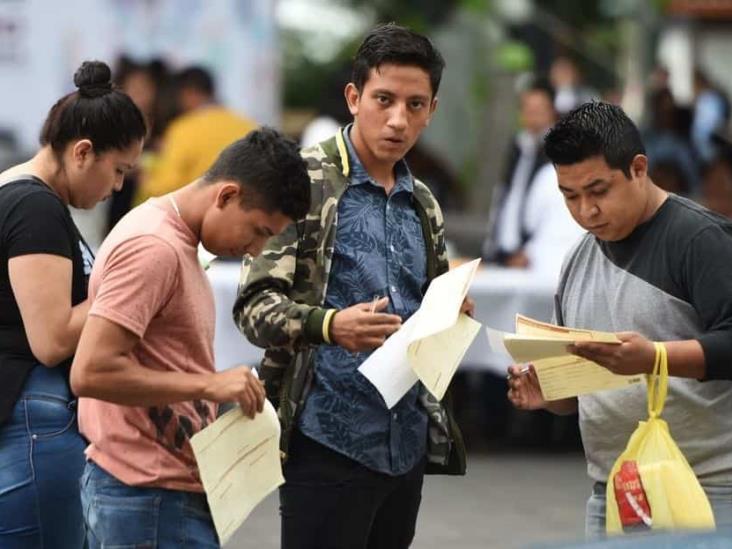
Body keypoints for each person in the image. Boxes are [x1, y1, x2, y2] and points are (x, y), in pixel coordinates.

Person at [234, 23, 470, 549]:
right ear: (353, 97)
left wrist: (451, 310)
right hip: (323, 439)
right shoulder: (304, 182)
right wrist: (330, 324)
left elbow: (430, 314)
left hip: (403, 442)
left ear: (432, 109)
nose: (398, 120)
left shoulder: (422, 201)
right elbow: (253, 309)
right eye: (383, 99)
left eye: (415, 105)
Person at [69, 127, 310, 548]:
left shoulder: (175, 238)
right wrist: (208, 384)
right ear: (227, 196)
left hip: (160, 493)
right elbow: (90, 371)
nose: (256, 250)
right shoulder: (154, 248)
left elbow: (156, 358)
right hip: (147, 498)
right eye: (259, 231)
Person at [507, 102, 732, 538]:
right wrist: (546, 390)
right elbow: (575, 393)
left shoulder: (699, 239)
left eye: (599, 190)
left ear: (638, 168)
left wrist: (654, 357)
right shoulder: (579, 257)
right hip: (613, 492)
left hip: (709, 490)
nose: (586, 211)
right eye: (570, 196)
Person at [0, 60, 146, 548]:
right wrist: (128, 286)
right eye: (119, 170)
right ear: (84, 152)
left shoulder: (26, 198)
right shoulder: (33, 206)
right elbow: (52, 338)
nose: (119, 186)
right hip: (34, 425)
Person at [482, 76, 582, 276]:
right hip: (503, 252)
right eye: (527, 109)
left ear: (551, 111)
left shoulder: (559, 154)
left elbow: (554, 216)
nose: (532, 115)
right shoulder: (519, 147)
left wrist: (528, 251)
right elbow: (505, 197)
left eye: (538, 109)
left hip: (532, 258)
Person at [135, 65, 258, 205]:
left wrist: (145, 177)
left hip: (202, 216)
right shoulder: (249, 126)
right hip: (247, 211)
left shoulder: (184, 128)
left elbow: (165, 187)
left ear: (188, 93)